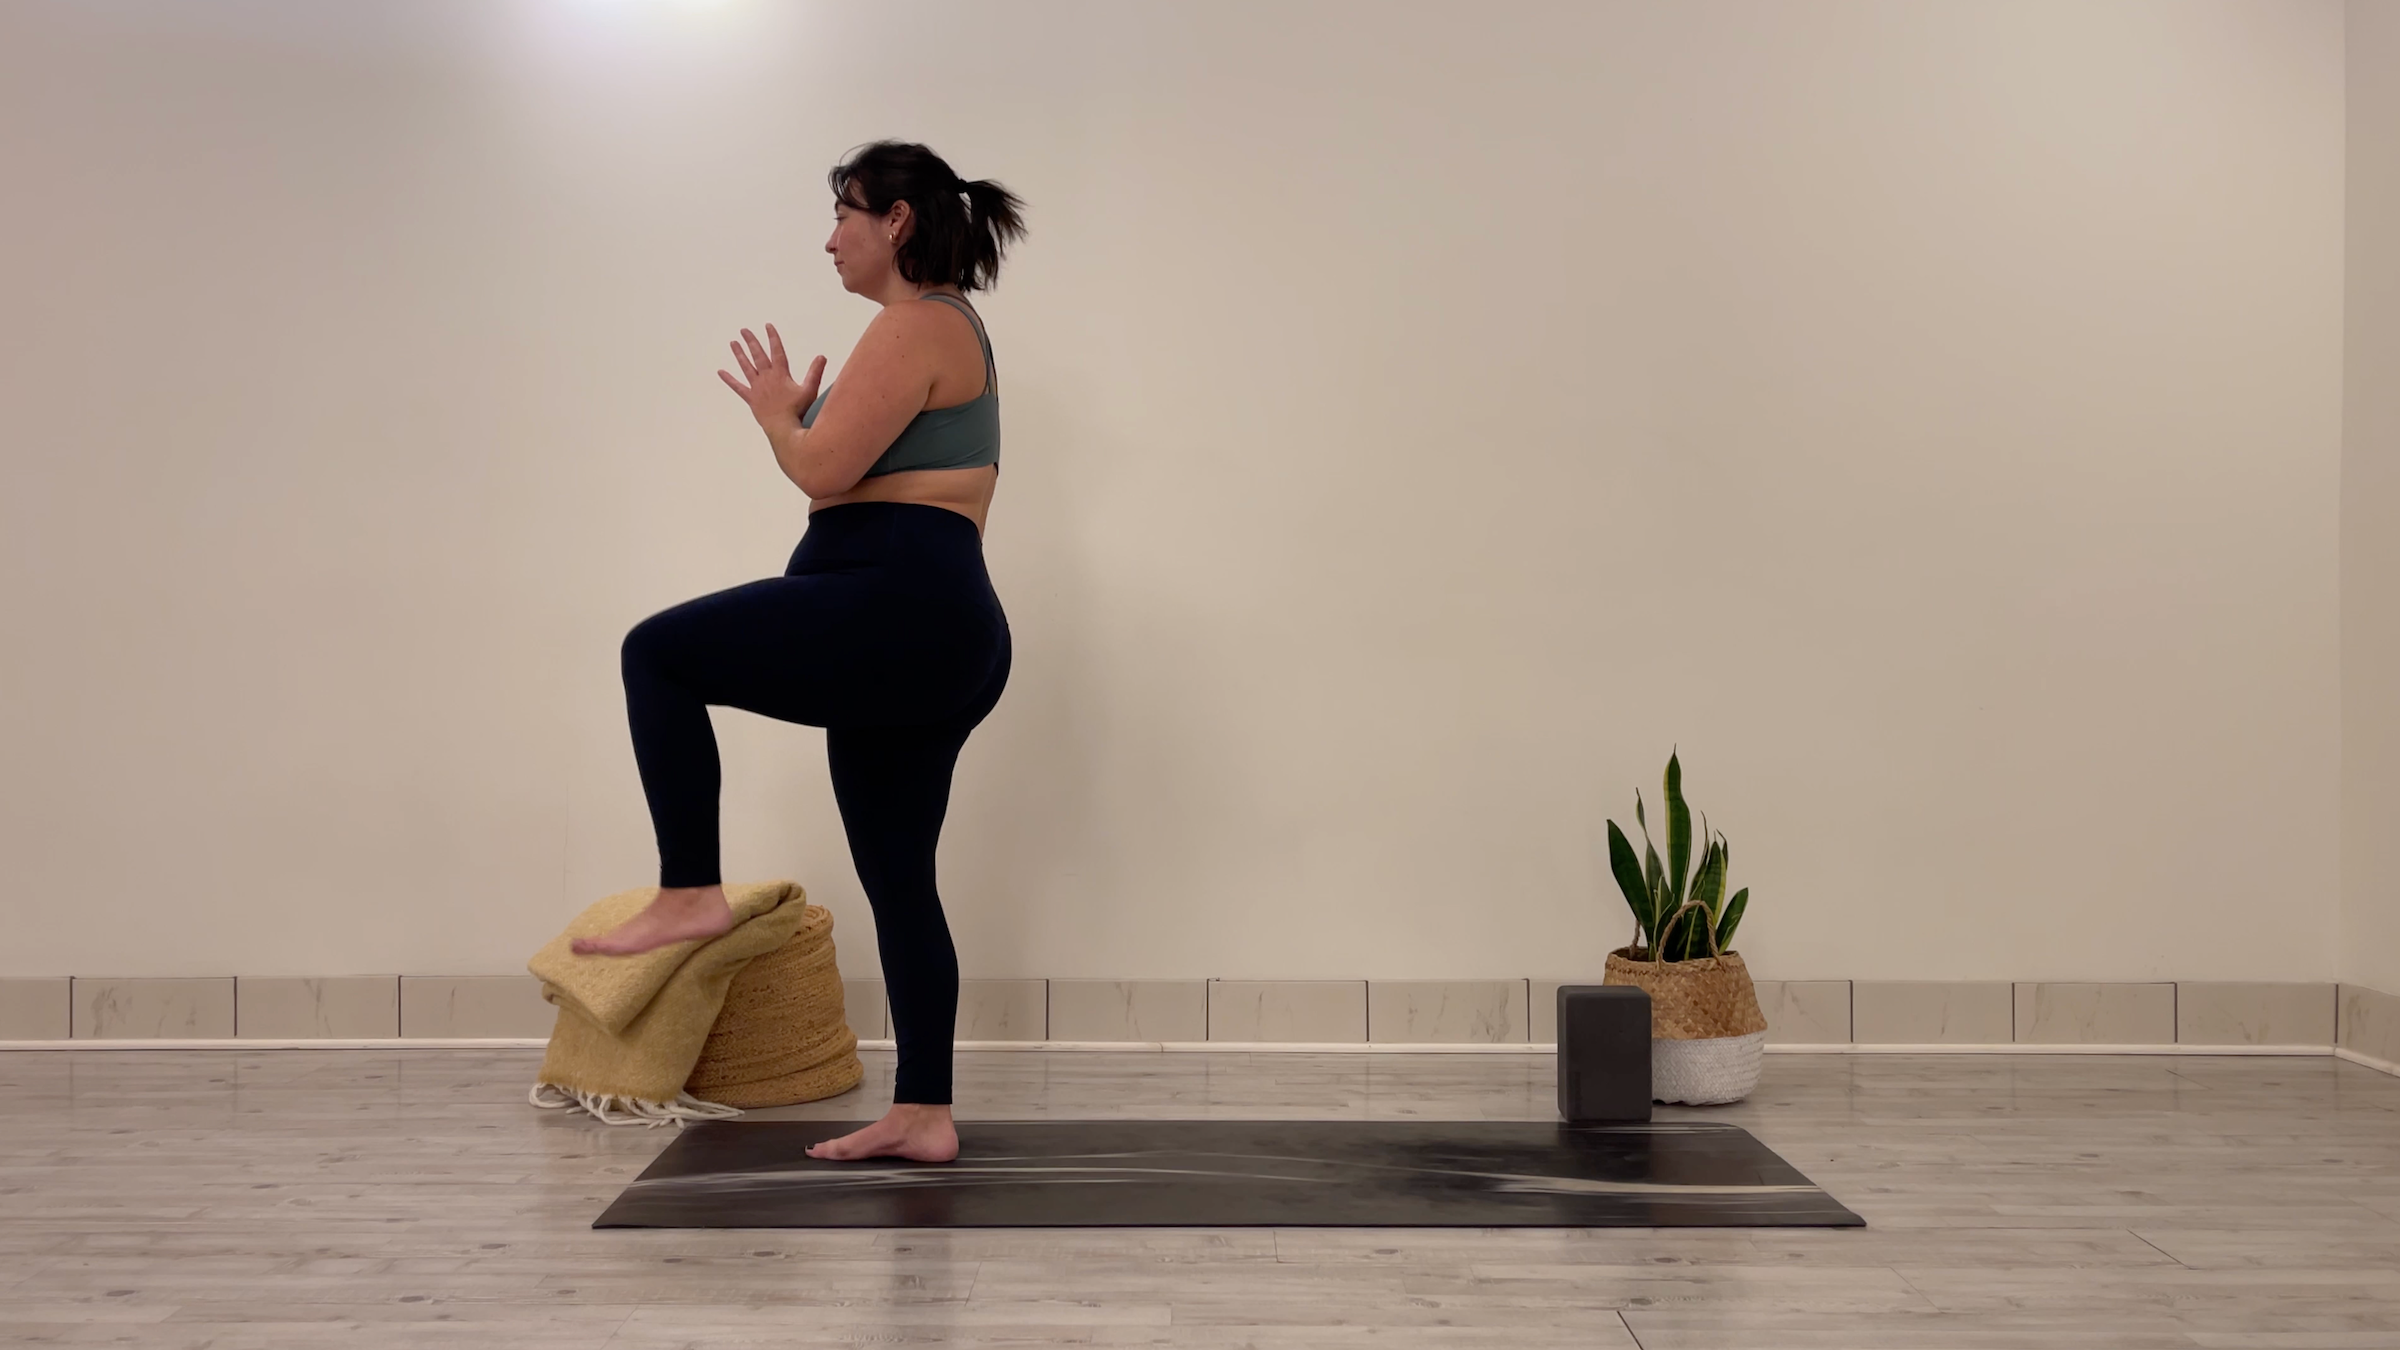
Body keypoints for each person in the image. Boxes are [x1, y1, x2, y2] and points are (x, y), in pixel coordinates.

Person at [570, 140, 1027, 1163]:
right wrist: (804, 427)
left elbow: (818, 466)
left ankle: (689, 891)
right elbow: (842, 477)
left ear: (897, 222)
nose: (831, 239)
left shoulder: (916, 323)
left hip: (901, 604)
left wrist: (784, 421)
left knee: (658, 654)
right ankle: (924, 1111)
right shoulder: (935, 332)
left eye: (845, 215)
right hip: (925, 619)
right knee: (900, 876)